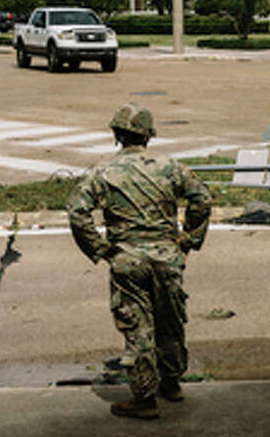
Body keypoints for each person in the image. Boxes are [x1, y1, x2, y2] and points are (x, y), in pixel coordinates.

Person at [65, 104, 211, 420]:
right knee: (170, 320)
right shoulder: (171, 167)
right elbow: (202, 199)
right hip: (167, 257)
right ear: (148, 136)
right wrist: (187, 239)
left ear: (117, 135)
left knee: (138, 326)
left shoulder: (103, 171)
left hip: (128, 260)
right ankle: (171, 383)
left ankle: (144, 398)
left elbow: (77, 210)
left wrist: (100, 249)